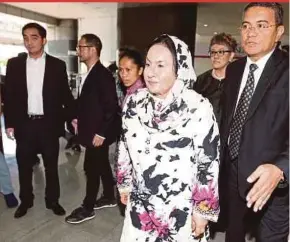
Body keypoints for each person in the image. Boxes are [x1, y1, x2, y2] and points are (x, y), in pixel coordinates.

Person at [116, 34, 220, 241]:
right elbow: (124, 145)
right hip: (141, 203)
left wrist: (202, 210)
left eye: (161, 65)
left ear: (178, 69)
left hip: (179, 207)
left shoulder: (197, 106)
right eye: (148, 64)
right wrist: (124, 182)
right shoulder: (134, 102)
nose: (151, 73)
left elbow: (208, 162)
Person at [219, 3, 289, 242]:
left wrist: (281, 168)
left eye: (261, 26)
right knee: (234, 235)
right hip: (233, 172)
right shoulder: (235, 70)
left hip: (272, 183)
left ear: (279, 32)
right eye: (246, 26)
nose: (251, 33)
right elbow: (227, 118)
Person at [4, 22, 75, 218]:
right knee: (24, 166)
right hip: (24, 124)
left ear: (43, 40)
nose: (29, 42)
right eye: (25, 38)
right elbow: (8, 96)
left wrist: (73, 117)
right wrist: (9, 123)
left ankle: (52, 201)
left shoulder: (57, 65)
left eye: (34, 37)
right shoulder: (14, 64)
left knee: (51, 166)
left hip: (48, 125)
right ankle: (26, 201)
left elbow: (65, 95)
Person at [65, 34, 120, 224]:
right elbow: (88, 103)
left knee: (91, 168)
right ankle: (109, 196)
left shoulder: (102, 75)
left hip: (98, 133)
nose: (78, 51)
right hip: (92, 130)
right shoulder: (89, 73)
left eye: (82, 47)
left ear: (93, 49)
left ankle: (88, 207)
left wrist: (101, 133)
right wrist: (76, 118)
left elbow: (111, 107)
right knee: (102, 163)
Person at [194, 33, 237, 126]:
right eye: (213, 52)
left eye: (221, 52)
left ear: (231, 55)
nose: (216, 56)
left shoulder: (238, 82)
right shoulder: (200, 82)